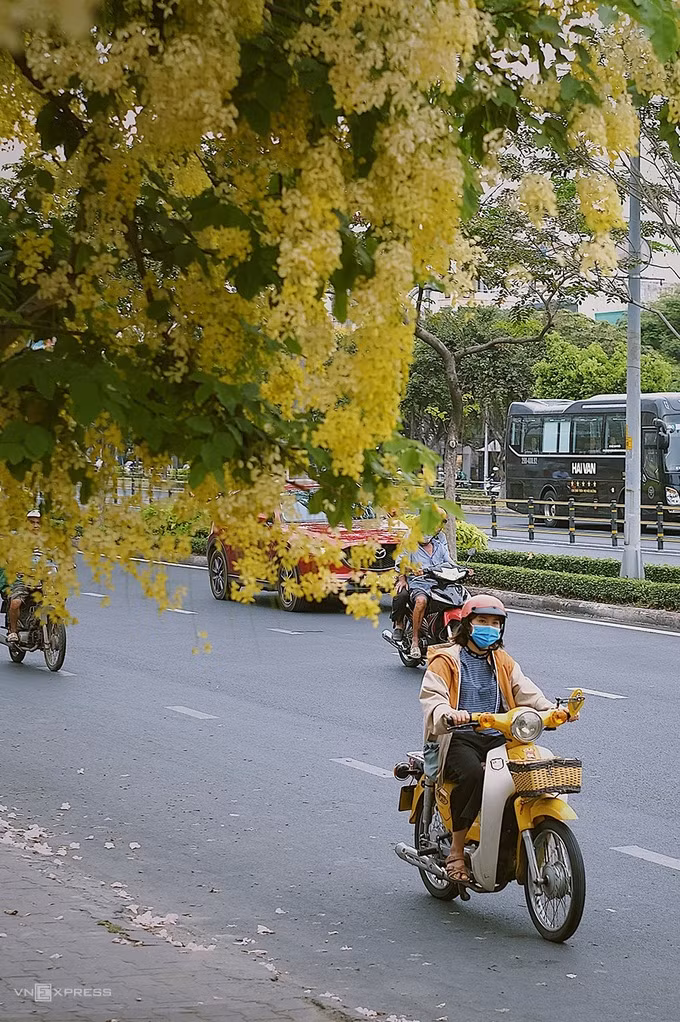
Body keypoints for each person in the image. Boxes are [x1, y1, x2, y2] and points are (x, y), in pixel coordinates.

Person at [419, 594, 554, 884]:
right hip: (458, 737)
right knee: (473, 776)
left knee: (528, 770)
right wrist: (448, 714)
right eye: (482, 621)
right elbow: (434, 698)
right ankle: (456, 851)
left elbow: (526, 691)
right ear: (467, 625)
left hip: (497, 736)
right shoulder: (446, 660)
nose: (489, 627)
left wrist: (552, 711)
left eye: (495, 623)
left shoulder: (502, 661)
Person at [391, 514, 468, 658]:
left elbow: (448, 561)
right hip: (419, 582)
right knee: (421, 601)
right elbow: (401, 562)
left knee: (463, 599)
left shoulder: (439, 541)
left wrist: (462, 569)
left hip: (440, 580)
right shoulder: (410, 540)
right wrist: (405, 575)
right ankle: (414, 641)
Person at [7, 509, 42, 645]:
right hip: (23, 578)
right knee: (15, 603)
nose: (35, 525)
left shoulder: (49, 541)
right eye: (32, 522)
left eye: (38, 523)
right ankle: (13, 631)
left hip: (43, 579)